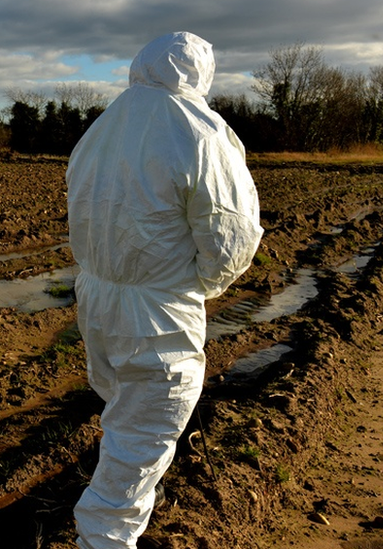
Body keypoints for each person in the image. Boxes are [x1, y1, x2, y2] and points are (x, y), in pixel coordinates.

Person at [66, 32, 264, 548]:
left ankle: (112, 498)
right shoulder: (200, 131)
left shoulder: (104, 126)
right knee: (146, 428)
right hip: (158, 309)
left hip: (97, 295)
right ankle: (103, 537)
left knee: (124, 408)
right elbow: (231, 231)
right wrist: (203, 284)